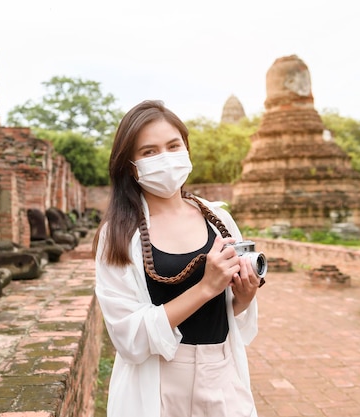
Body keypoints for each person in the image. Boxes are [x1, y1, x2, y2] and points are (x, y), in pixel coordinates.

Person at [92, 100, 261, 417]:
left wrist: (244, 295)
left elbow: (229, 313)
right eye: (149, 152)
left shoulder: (218, 219)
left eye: (173, 146)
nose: (165, 158)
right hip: (158, 383)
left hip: (222, 373)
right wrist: (204, 288)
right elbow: (129, 337)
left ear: (186, 148)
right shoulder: (117, 236)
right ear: (130, 165)